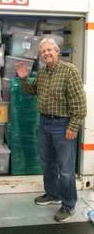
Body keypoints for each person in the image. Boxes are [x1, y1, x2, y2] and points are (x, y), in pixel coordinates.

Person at [16, 37, 87, 222]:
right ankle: (52, 194)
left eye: (49, 50)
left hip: (63, 125)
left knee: (65, 169)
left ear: (57, 52)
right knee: (47, 163)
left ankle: (69, 204)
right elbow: (31, 91)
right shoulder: (42, 73)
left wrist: (73, 127)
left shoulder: (69, 71)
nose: (46, 53)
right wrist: (24, 79)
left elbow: (80, 104)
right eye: (43, 51)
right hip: (45, 123)